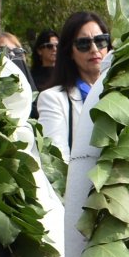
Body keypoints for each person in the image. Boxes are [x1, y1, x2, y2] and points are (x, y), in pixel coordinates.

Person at [35, 11, 112, 164]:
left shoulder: (123, 92)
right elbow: (56, 164)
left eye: (101, 41)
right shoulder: (53, 99)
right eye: (83, 44)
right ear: (69, 52)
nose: (94, 49)